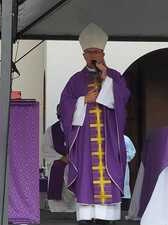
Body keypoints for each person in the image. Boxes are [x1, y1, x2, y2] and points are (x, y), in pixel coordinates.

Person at [59, 23, 130, 225]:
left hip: (109, 139)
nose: (93, 55)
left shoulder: (114, 76)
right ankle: (86, 216)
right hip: (84, 142)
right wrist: (83, 101)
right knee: (86, 176)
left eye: (97, 51)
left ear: (103, 53)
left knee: (108, 174)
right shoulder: (75, 80)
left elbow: (123, 98)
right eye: (89, 52)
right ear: (83, 55)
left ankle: (106, 217)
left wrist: (106, 79)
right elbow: (64, 105)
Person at [42, 105, 75, 212]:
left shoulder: (78, 129)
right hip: (58, 161)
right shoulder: (51, 130)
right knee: (58, 169)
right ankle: (58, 208)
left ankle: (75, 207)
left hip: (76, 162)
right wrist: (61, 157)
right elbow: (46, 148)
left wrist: (74, 156)